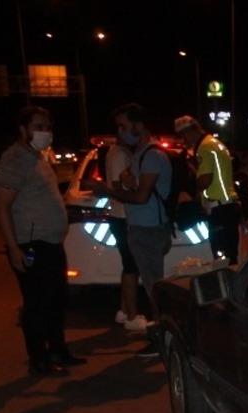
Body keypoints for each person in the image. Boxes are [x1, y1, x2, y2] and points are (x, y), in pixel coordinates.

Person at [0, 106, 85, 376]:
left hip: (51, 243)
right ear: (23, 130)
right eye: (38, 126)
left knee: (56, 299)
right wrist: (14, 248)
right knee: (36, 303)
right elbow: (2, 207)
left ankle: (58, 350)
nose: (45, 132)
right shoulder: (15, 160)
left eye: (48, 126)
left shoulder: (38, 157)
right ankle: (39, 359)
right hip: (31, 245)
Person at [83, 103, 172, 357]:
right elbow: (131, 183)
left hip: (150, 229)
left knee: (155, 288)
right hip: (141, 227)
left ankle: (162, 341)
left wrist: (106, 191)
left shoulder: (152, 155)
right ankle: (161, 336)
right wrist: (125, 181)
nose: (120, 132)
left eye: (124, 126)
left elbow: (142, 196)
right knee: (151, 285)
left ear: (139, 125)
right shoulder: (139, 154)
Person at [174, 115, 241, 264]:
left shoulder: (204, 147)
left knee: (222, 257)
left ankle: (226, 286)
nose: (184, 141)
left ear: (189, 132)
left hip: (220, 209)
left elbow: (205, 180)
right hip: (228, 206)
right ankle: (231, 285)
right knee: (230, 256)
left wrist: (192, 183)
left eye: (183, 136)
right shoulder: (214, 143)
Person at [104, 137, 147, 331]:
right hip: (123, 216)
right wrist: (138, 188)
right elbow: (117, 186)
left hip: (121, 216)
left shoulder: (123, 152)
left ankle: (124, 311)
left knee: (129, 265)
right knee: (131, 266)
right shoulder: (119, 154)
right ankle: (131, 317)